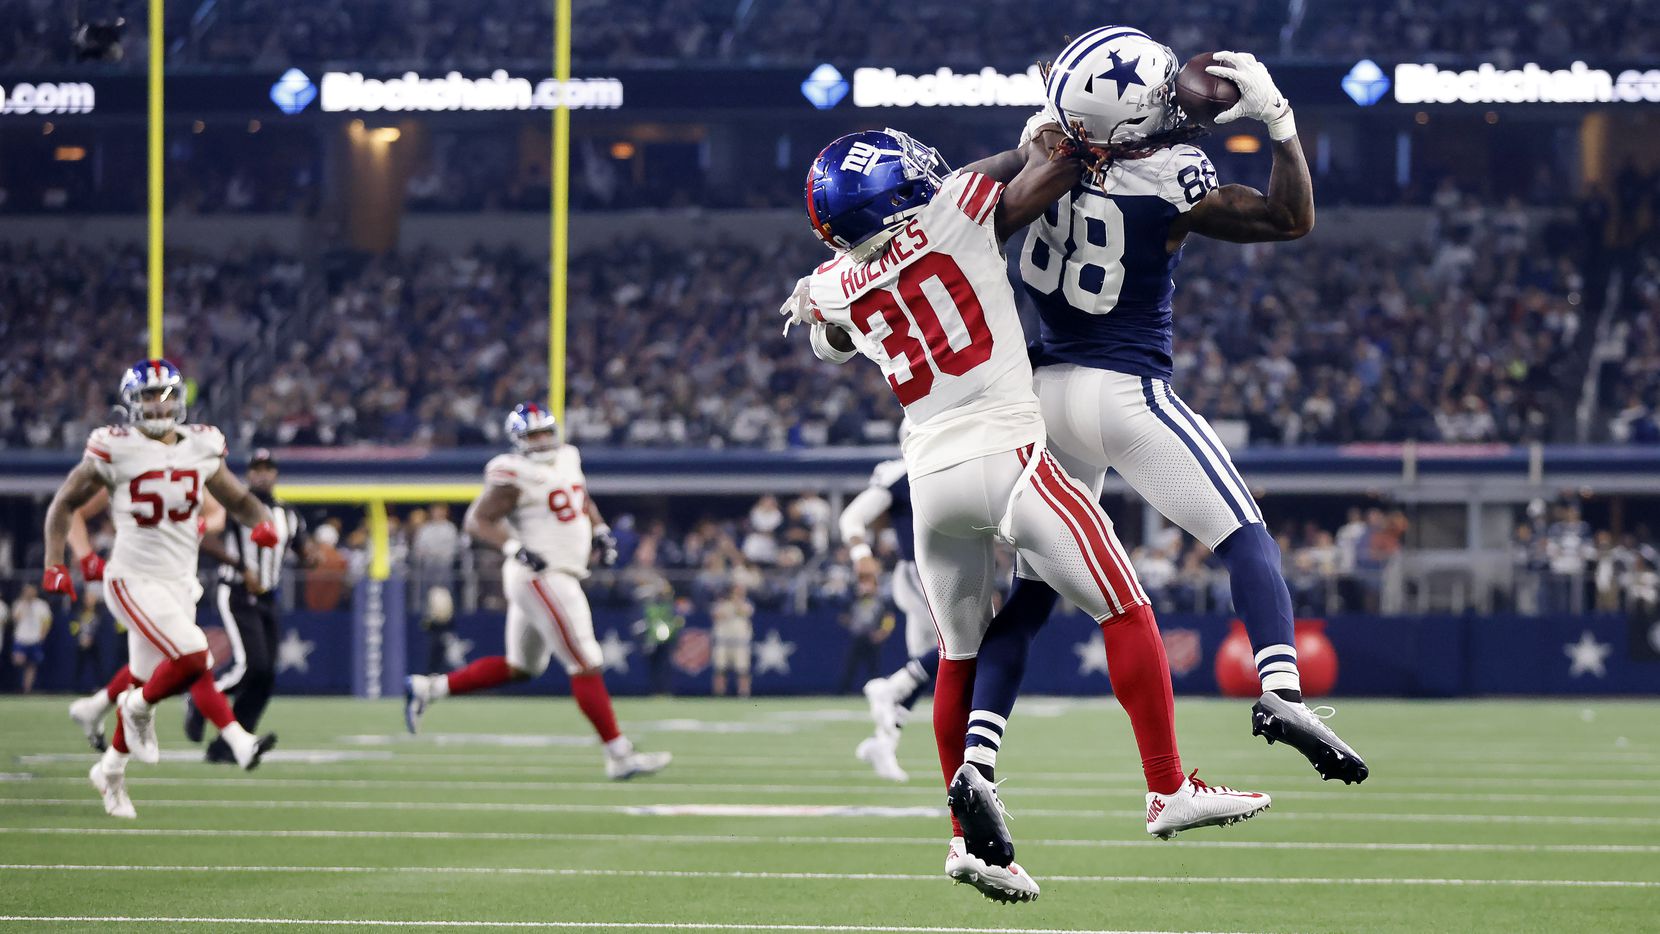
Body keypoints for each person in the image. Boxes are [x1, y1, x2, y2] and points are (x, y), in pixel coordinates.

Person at [784, 128, 1267, 902]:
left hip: (930, 479)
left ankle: (965, 847)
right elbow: (1048, 166)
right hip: (1008, 457)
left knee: (957, 657)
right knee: (1125, 605)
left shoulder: (835, 282)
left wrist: (819, 298)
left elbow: (829, 326)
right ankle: (1168, 787)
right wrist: (1062, 131)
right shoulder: (956, 211)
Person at [996, 29, 1365, 783]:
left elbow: (1067, 99)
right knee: (1243, 536)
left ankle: (976, 756)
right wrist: (1280, 125)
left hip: (1042, 394)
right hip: (1123, 391)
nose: (1174, 100)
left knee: (1031, 593)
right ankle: (1283, 690)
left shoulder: (1039, 143)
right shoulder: (1172, 175)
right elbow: (1288, 219)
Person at [43, 359, 280, 819]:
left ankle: (109, 772)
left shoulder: (202, 445)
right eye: (149, 396)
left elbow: (238, 499)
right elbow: (64, 502)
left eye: (166, 395)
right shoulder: (116, 448)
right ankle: (137, 709)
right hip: (132, 578)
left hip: (178, 583)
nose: (158, 404)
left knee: (144, 675)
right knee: (195, 656)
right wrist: (56, 563)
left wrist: (262, 524)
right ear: (131, 403)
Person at [403, 402, 670, 781]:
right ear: (518, 441)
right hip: (543, 575)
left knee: (522, 667)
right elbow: (477, 521)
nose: (542, 440)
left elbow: (581, 499)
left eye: (546, 432)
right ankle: (619, 754)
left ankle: (429, 688)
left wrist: (600, 530)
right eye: (533, 435)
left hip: (557, 573)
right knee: (586, 661)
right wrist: (514, 547)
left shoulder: (568, 457)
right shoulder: (513, 473)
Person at [188, 448, 306, 763]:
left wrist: (317, 555)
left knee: (265, 677)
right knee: (250, 667)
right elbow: (204, 536)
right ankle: (203, 700)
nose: (263, 474)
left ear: (276, 474)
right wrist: (241, 567)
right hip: (237, 592)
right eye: (257, 468)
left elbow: (303, 551)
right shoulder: (235, 504)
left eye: (268, 468)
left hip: (268, 596)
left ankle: (229, 746)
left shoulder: (288, 514)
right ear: (248, 474)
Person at [840, 453, 935, 782]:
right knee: (969, 643)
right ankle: (889, 688)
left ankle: (884, 742)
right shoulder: (903, 472)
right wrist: (861, 553)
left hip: (943, 571)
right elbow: (853, 516)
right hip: (924, 573)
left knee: (925, 664)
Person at [710, 582, 754, 697]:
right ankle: (719, 692)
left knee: (742, 669)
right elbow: (717, 615)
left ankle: (744, 692)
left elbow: (744, 611)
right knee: (720, 669)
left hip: (740, 642)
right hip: (723, 641)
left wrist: (737, 603)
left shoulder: (746, 604)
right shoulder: (721, 604)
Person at [8, 585, 51, 693]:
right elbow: (15, 618)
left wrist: (43, 635)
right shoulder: (19, 603)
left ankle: (27, 689)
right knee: (18, 661)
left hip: (34, 639)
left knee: (32, 665)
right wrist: (24, 604)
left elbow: (46, 621)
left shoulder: (41, 605)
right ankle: (17, 685)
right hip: (21, 638)